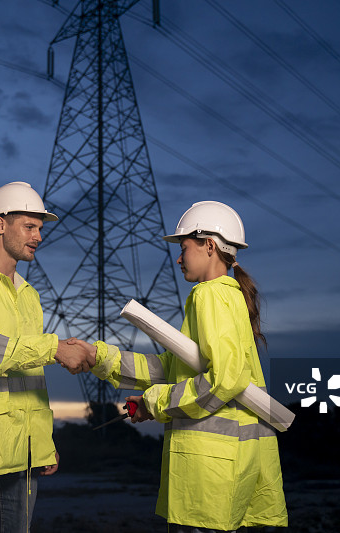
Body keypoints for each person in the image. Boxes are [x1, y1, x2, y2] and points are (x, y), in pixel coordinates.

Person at [83, 200, 288, 532]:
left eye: (185, 247)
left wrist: (156, 403)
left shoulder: (209, 296)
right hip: (230, 467)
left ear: (209, 245)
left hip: (210, 474)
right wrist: (100, 358)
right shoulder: (230, 295)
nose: (178, 258)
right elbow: (173, 368)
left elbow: (224, 379)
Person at [0, 181, 94, 532]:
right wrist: (55, 348)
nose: (38, 236)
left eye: (40, 228)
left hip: (24, 449)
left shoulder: (30, 296)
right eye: (29, 226)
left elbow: (32, 377)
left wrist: (43, 442)